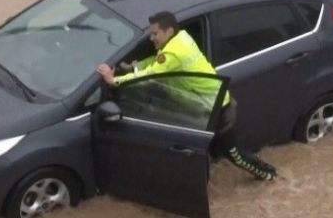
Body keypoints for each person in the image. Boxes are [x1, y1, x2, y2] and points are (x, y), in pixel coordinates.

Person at [96, 11, 278, 181]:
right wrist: (134, 65)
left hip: (215, 108)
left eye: (155, 34)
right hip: (208, 102)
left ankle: (269, 176)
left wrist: (114, 80)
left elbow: (150, 75)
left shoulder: (174, 51)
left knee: (235, 154)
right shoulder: (180, 38)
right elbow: (158, 61)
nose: (152, 38)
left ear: (168, 31)